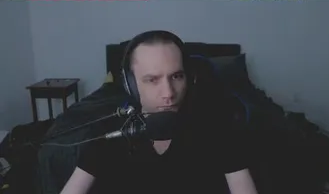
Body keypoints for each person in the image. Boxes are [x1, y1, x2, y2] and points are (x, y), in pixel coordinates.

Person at [58, 30, 259, 194]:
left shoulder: (218, 126)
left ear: (190, 78)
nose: (169, 93)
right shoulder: (108, 132)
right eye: (152, 80)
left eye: (177, 76)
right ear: (130, 85)